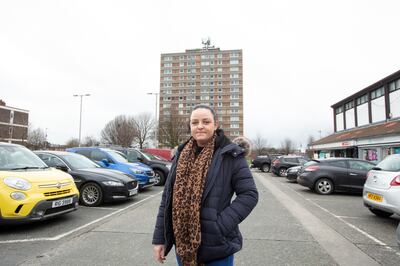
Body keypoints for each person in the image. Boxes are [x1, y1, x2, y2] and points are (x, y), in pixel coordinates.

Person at [152, 104, 258, 266]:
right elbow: (167, 199)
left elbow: (249, 195)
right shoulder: (180, 155)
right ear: (190, 126)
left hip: (217, 249)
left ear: (215, 125)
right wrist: (160, 238)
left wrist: (219, 226)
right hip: (183, 245)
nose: (200, 126)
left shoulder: (231, 155)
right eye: (195, 122)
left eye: (206, 122)